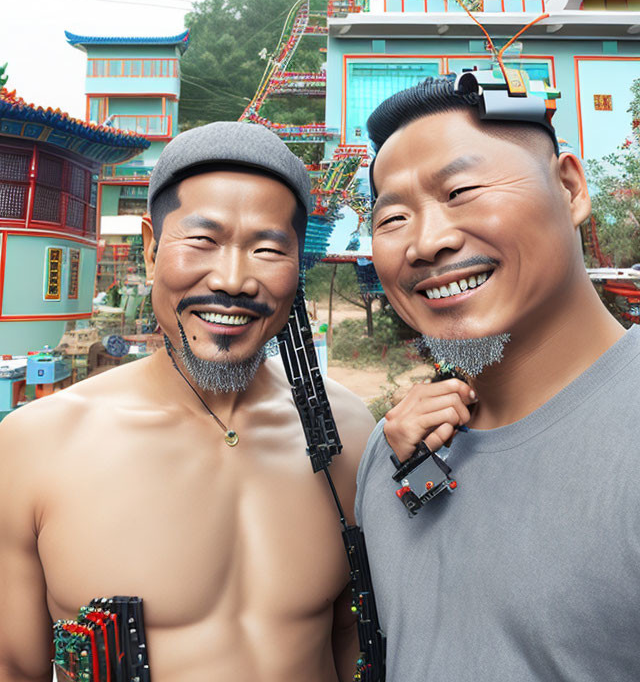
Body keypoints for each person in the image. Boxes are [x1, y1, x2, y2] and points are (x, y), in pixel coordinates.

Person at [0, 121, 375, 682]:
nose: (232, 280)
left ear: (301, 263)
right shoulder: (37, 446)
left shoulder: (345, 430)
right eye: (202, 240)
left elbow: (350, 639)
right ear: (151, 246)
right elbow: (15, 667)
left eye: (269, 248)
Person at [354, 74, 640, 681]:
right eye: (392, 218)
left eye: (461, 190)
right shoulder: (392, 453)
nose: (427, 243)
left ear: (568, 187)